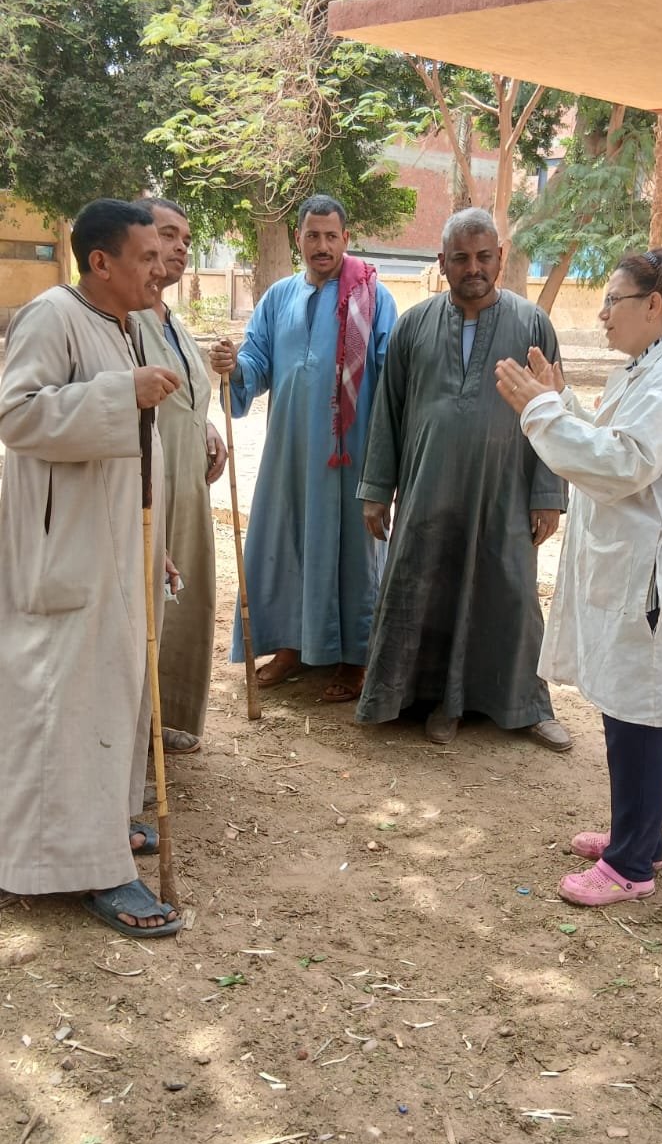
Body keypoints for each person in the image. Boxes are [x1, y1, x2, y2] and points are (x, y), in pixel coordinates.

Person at [495, 247, 662, 906]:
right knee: (630, 709)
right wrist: (561, 401)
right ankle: (639, 837)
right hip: (644, 569)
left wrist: (541, 412)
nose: (602, 314)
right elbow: (609, 435)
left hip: (660, 575)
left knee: (642, 716)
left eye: (612, 300)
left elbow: (624, 463)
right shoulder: (653, 366)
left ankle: (632, 864)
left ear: (653, 305)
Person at [0, 199, 184, 937]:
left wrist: (153, 543)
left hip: (116, 551)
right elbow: (16, 416)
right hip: (67, 554)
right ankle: (89, 867)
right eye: (146, 257)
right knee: (65, 706)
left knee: (109, 697)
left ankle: (100, 830)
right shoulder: (52, 315)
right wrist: (120, 394)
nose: (159, 269)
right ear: (101, 262)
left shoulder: (125, 323)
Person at [356, 208, 572, 749]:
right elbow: (387, 413)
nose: (473, 268)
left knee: (512, 594)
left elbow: (555, 412)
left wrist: (548, 494)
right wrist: (377, 491)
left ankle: (525, 706)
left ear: (500, 257)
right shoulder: (413, 325)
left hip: (504, 491)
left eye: (483, 257)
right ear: (442, 262)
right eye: (461, 258)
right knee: (423, 589)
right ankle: (436, 702)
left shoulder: (533, 325)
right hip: (428, 489)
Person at [209, 193, 397, 702]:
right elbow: (256, 361)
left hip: (351, 453)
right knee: (288, 539)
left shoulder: (373, 297)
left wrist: (389, 459)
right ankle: (292, 646)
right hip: (290, 452)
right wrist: (234, 365)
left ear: (346, 238)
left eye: (331, 236)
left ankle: (355, 658)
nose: (322, 245)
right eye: (312, 235)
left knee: (356, 550)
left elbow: (392, 374)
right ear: (298, 238)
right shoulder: (278, 297)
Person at [132, 197, 227, 755]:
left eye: (187, 240)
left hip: (188, 490)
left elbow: (185, 399)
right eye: (168, 235)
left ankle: (162, 717)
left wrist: (207, 428)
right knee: (144, 608)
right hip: (147, 491)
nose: (180, 248)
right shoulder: (124, 321)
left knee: (183, 605)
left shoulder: (174, 322)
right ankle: (132, 729)